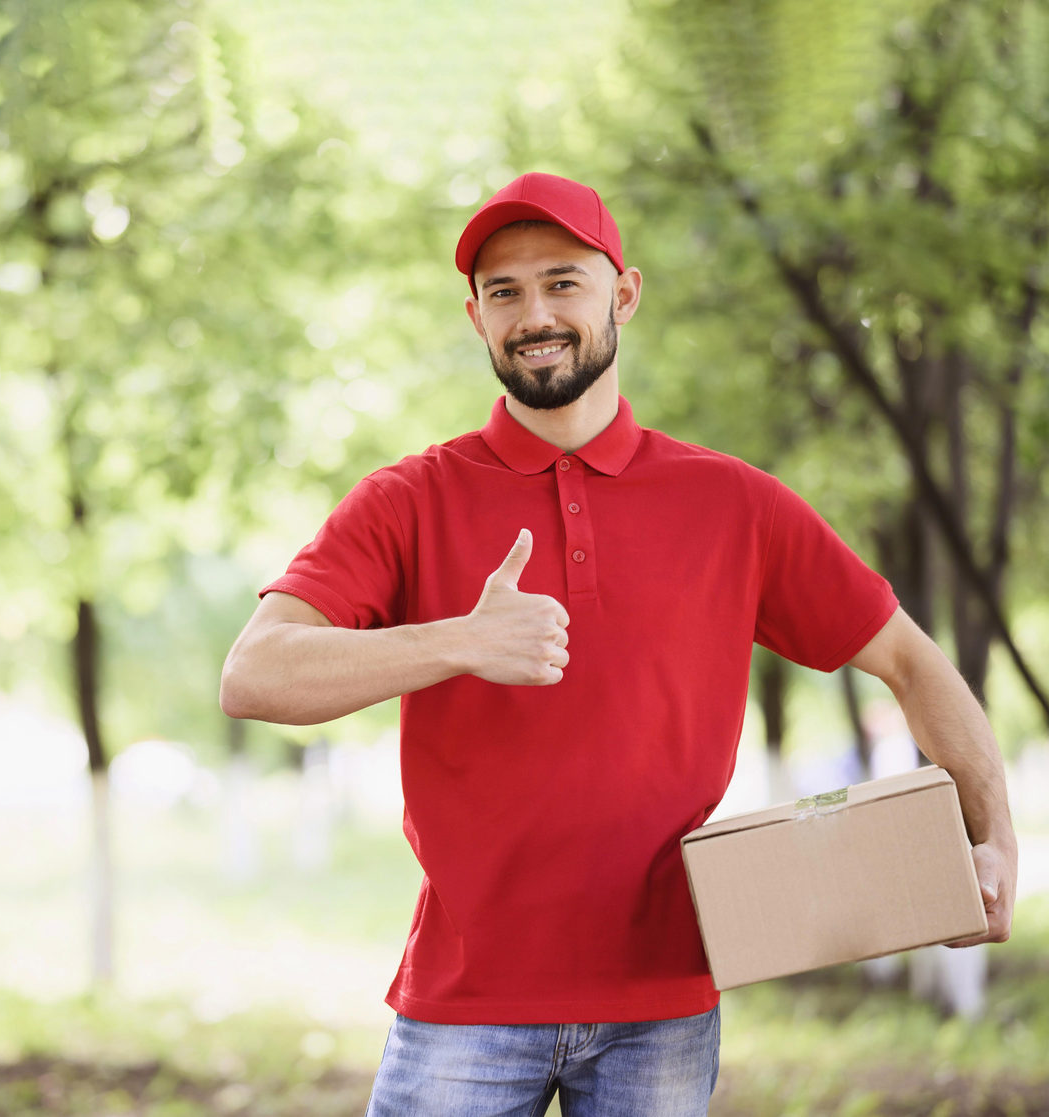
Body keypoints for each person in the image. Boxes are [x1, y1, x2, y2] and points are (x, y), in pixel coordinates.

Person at [218, 171, 1017, 1116]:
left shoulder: (733, 503)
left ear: (623, 293)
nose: (534, 314)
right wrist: (459, 641)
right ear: (476, 317)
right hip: (467, 1004)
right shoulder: (409, 500)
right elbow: (253, 674)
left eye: (563, 281)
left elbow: (912, 661)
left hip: (665, 1005)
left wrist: (993, 836)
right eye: (504, 293)